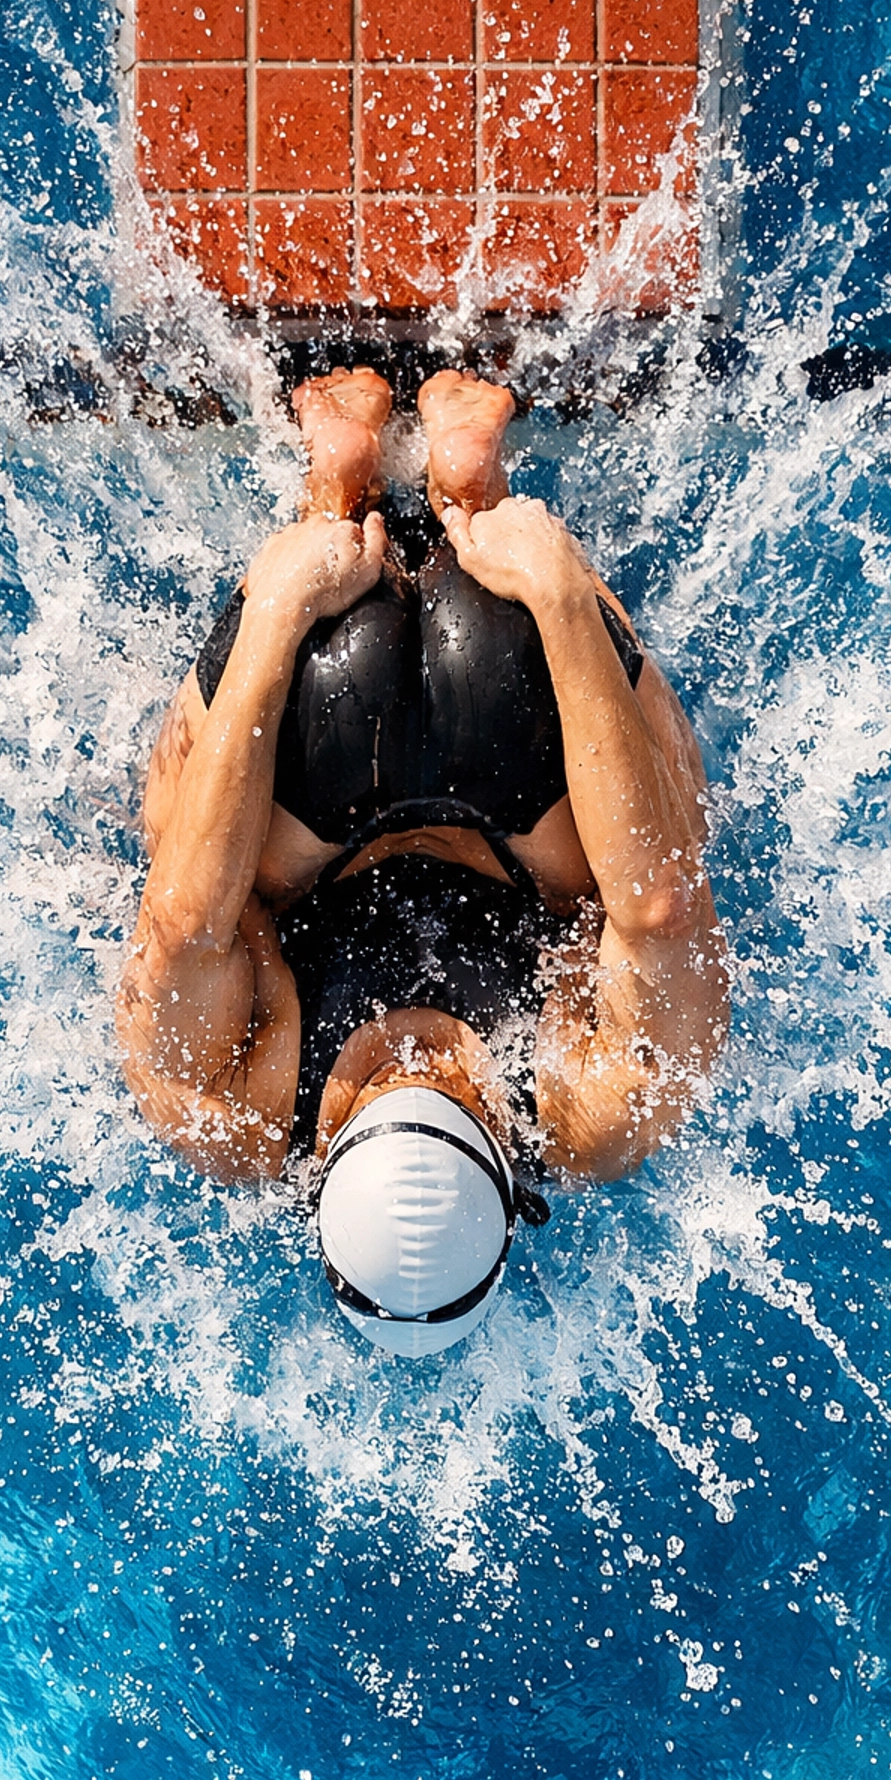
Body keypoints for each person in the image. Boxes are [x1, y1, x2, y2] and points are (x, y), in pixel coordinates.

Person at [118, 369, 728, 1354]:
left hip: (498, 692)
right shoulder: (227, 1115)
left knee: (661, 874)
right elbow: (183, 922)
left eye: (377, 1079)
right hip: (348, 706)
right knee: (188, 879)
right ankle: (341, 494)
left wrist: (556, 594)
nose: (410, 1061)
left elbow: (659, 906)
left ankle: (467, 504)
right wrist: (280, 611)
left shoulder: (597, 1116)